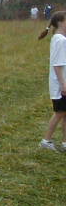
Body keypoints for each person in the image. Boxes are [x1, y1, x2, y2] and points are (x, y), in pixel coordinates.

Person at [38, 11, 66, 151]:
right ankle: (46, 141)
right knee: (60, 113)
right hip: (61, 85)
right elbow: (58, 65)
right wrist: (63, 85)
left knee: (64, 113)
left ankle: (65, 142)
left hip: (60, 83)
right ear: (60, 22)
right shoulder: (61, 40)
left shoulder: (58, 38)